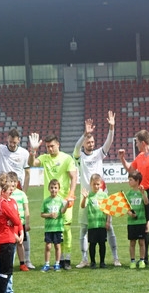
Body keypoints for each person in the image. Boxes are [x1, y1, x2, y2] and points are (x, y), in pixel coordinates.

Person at [73, 113, 121, 267]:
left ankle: (115, 258)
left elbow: (109, 142)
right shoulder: (79, 156)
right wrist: (85, 133)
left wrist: (111, 127)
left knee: (109, 226)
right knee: (84, 229)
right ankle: (84, 259)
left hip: (102, 195)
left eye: (92, 141)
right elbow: (76, 147)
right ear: (84, 143)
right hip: (86, 197)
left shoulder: (99, 153)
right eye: (88, 142)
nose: (91, 144)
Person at [29, 133, 78, 269]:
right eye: (47, 147)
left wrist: (71, 194)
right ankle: (58, 260)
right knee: (54, 231)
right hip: (50, 202)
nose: (50, 149)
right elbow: (31, 163)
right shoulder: (44, 158)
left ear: (58, 145)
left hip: (64, 200)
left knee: (66, 229)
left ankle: (66, 259)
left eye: (52, 146)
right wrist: (33, 150)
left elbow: (74, 177)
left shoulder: (67, 158)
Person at [119, 131, 149, 264]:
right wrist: (122, 158)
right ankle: (144, 258)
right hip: (141, 194)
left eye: (137, 142)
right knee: (144, 226)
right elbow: (130, 169)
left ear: (143, 143)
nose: (136, 144)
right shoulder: (140, 156)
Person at [0, 175, 23, 293]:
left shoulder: (10, 202)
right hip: (6, 239)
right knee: (4, 270)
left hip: (9, 238)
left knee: (5, 269)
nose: (11, 190)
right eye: (8, 188)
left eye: (13, 186)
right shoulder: (3, 203)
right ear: (2, 190)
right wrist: (12, 221)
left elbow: (17, 219)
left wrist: (20, 231)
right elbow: (16, 220)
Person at [81, 175, 111, 269]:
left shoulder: (104, 195)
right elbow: (83, 206)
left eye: (98, 184)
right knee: (92, 244)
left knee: (102, 244)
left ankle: (102, 262)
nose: (96, 186)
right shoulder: (89, 195)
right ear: (90, 184)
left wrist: (108, 221)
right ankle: (93, 262)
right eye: (94, 184)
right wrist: (84, 198)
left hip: (102, 224)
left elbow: (108, 209)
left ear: (101, 184)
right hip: (92, 225)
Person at [124, 170, 149, 268]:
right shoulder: (128, 193)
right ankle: (132, 261)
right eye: (129, 179)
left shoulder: (143, 192)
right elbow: (126, 207)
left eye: (131, 180)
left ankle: (142, 260)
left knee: (141, 242)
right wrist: (130, 213)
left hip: (141, 221)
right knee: (132, 242)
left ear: (137, 181)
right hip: (131, 222)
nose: (129, 182)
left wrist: (143, 194)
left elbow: (146, 203)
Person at [40, 179, 66, 271]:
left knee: (57, 246)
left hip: (58, 228)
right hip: (48, 228)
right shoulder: (46, 201)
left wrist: (67, 205)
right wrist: (49, 215)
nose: (53, 189)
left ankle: (57, 263)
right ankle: (47, 264)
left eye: (55, 188)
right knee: (48, 246)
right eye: (51, 187)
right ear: (48, 188)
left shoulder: (61, 201)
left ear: (58, 189)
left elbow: (63, 211)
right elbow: (42, 214)